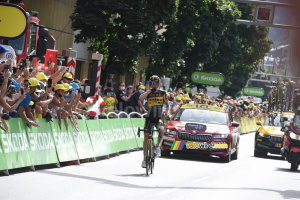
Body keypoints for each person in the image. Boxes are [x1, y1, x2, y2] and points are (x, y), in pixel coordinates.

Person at [139, 75, 169, 168]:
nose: (153, 85)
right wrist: (148, 91)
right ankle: (144, 159)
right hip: (149, 116)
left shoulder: (163, 93)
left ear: (159, 83)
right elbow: (140, 98)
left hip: (158, 116)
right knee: (146, 135)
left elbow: (168, 105)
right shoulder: (148, 93)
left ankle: (157, 146)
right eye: (152, 83)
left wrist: (167, 112)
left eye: (155, 83)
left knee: (161, 129)